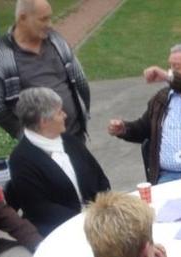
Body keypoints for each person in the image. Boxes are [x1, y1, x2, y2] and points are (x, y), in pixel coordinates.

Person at [107, 43, 181, 184]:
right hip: (167, 176)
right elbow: (144, 129)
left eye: (176, 68)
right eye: (169, 67)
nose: (170, 72)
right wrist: (124, 129)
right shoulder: (161, 98)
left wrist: (169, 77)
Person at [7, 87, 111, 236]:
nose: (65, 115)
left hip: (96, 220)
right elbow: (40, 209)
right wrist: (85, 220)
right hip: (60, 231)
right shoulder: (21, 160)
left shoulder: (70, 141)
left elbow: (99, 178)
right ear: (44, 121)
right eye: (59, 112)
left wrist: (104, 210)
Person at [0, 0, 91, 140]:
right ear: (22, 18)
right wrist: (23, 135)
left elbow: (79, 78)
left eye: (50, 17)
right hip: (43, 146)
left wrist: (84, 112)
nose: (50, 24)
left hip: (76, 135)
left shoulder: (55, 39)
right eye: (43, 19)